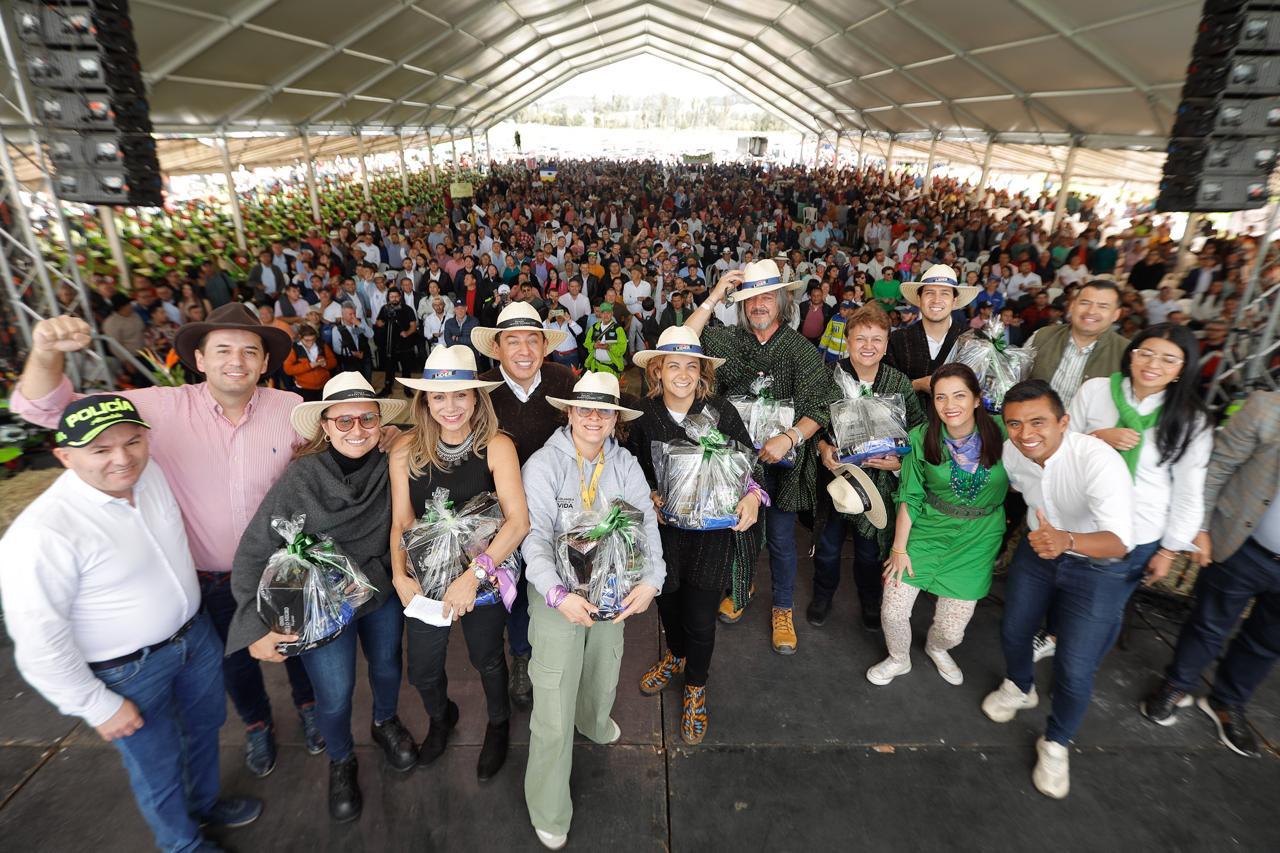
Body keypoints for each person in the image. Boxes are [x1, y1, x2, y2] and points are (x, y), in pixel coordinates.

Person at [12, 307, 336, 778]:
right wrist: (44, 353)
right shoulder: (156, 408)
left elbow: (340, 441)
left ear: (266, 362)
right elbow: (46, 410)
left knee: (299, 648)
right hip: (211, 577)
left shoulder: (290, 411)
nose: (237, 361)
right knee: (236, 662)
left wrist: (387, 434)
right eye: (222, 350)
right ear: (199, 359)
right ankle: (257, 723)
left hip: (283, 568)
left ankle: (309, 708)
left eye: (250, 351)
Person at [0, 395, 262, 852]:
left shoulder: (151, 475)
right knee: (155, 762)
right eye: (100, 450)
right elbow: (39, 642)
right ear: (64, 455)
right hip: (128, 671)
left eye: (132, 442)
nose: (122, 458)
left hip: (193, 638)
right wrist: (96, 705)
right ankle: (181, 843)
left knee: (205, 730)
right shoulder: (42, 532)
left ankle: (203, 806)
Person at [226, 373, 418, 822]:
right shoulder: (301, 477)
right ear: (325, 426)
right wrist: (254, 624)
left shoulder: (393, 462)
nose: (357, 430)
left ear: (380, 423)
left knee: (388, 666)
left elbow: (437, 437)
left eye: (368, 420)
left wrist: (400, 435)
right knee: (334, 693)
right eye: (344, 421)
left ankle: (385, 722)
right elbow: (255, 549)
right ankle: (341, 759)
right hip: (320, 606)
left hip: (380, 588)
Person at [520, 372, 664, 850]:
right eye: (585, 409)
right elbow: (533, 539)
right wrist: (557, 595)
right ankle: (548, 806)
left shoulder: (625, 464)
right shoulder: (543, 465)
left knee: (604, 670)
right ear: (570, 413)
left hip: (612, 591)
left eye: (604, 411)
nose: (594, 418)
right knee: (553, 701)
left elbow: (646, 530)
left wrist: (651, 580)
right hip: (556, 596)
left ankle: (595, 722)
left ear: (616, 419)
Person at [983, 380, 1135, 800]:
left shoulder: (1097, 460)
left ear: (1064, 422)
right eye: (1014, 424)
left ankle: (1056, 742)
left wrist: (1067, 540)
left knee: (1075, 665)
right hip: (1039, 552)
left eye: (1038, 422)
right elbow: (1013, 485)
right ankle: (1020, 686)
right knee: (1013, 629)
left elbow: (1121, 541)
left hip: (1096, 565)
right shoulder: (1015, 450)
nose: (1025, 433)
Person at [682, 261, 842, 655]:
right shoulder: (726, 341)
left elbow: (820, 408)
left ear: (784, 299)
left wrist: (789, 438)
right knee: (740, 531)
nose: (759, 304)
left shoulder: (801, 350)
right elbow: (682, 339)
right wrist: (716, 294)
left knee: (783, 540)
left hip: (782, 464)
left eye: (767, 295)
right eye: (751, 297)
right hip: (735, 463)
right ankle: (741, 589)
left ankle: (783, 608)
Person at [389, 346, 530, 780]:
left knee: (486, 656)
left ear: (475, 397)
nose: (450, 407)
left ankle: (498, 722)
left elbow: (518, 521)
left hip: (484, 571)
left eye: (460, 395)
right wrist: (398, 576)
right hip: (426, 574)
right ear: (425, 402)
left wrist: (475, 575)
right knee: (423, 668)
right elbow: (402, 522)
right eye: (439, 397)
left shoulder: (496, 445)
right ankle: (440, 717)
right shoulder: (405, 450)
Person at [628, 327, 764, 744]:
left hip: (711, 537)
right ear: (657, 370)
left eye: (692, 365)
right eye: (674, 365)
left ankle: (696, 687)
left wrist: (753, 498)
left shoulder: (721, 410)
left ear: (702, 371)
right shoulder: (643, 414)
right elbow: (632, 471)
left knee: (701, 617)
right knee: (667, 606)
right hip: (663, 535)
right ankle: (676, 656)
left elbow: (749, 466)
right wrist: (647, 496)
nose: (683, 373)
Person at [1139, 389, 1279, 758]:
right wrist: (1199, 528)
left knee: (1268, 642)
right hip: (1242, 546)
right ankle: (1177, 684)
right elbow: (1218, 467)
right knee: (1209, 623)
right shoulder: (1267, 408)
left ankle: (1228, 701)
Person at [869, 364, 1009, 686]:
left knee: (951, 629)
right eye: (941, 397)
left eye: (959, 395)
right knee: (892, 608)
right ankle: (898, 658)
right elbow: (910, 496)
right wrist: (900, 548)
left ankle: (936, 647)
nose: (950, 405)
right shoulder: (922, 437)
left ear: (977, 399)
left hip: (979, 538)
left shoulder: (1004, 432)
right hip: (928, 530)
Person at [472, 301, 577, 709]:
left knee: (550, 580)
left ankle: (547, 653)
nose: (523, 350)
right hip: (496, 512)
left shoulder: (561, 380)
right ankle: (521, 656)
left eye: (532, 340)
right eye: (512, 340)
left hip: (556, 506)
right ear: (496, 347)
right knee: (508, 592)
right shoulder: (480, 390)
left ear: (544, 346)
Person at [810, 305, 927, 631]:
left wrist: (899, 461)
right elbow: (812, 423)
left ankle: (870, 600)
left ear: (887, 345)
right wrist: (823, 448)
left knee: (870, 551)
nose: (868, 346)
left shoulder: (898, 383)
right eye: (861, 338)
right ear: (847, 341)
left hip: (880, 484)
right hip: (839, 482)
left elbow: (918, 433)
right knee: (829, 547)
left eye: (877, 339)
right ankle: (822, 596)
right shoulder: (829, 376)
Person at [884, 265, 980, 407]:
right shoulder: (897, 340)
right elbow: (883, 390)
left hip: (960, 428)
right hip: (909, 428)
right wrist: (916, 384)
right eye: (929, 293)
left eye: (945, 293)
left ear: (954, 301)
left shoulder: (975, 340)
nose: (936, 300)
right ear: (919, 298)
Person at [375, 288, 418, 396]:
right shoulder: (384, 309)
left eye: (396, 296)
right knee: (389, 368)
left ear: (400, 297)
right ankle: (387, 388)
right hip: (390, 344)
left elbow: (413, 326)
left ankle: (407, 389)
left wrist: (407, 333)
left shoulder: (407, 309)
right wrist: (381, 322)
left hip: (404, 344)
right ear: (388, 298)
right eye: (391, 296)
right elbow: (378, 322)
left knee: (406, 368)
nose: (394, 299)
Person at [284, 323, 337, 402]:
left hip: (324, 386)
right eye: (307, 340)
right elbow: (288, 369)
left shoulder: (322, 345)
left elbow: (334, 362)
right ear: (300, 338)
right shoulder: (294, 349)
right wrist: (309, 365)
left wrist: (325, 363)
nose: (311, 343)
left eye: (313, 339)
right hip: (304, 388)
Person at [583, 302, 627, 375]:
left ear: (612, 313)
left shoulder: (618, 329)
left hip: (611, 368)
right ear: (600, 314)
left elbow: (622, 349)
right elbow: (586, 343)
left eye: (608, 313)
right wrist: (594, 345)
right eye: (603, 313)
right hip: (596, 367)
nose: (606, 315)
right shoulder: (594, 328)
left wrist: (609, 347)